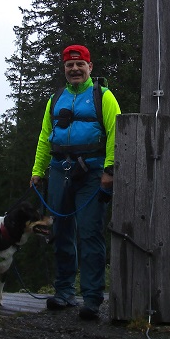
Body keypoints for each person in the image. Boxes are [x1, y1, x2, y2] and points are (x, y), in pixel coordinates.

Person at [30, 44, 120, 320]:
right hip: (59, 170)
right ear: (64, 69)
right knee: (60, 232)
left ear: (90, 67)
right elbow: (46, 136)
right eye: (69, 65)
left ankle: (92, 298)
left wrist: (109, 171)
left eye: (80, 64)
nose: (75, 69)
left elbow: (117, 132)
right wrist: (38, 170)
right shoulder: (55, 98)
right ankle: (65, 292)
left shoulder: (103, 96)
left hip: (92, 174)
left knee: (90, 233)